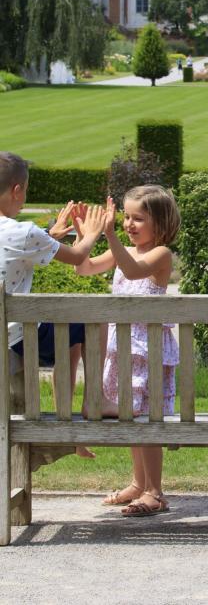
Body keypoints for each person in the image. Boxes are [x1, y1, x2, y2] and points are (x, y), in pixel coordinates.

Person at [74, 185, 181, 516]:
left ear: (160, 224)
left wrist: (110, 236)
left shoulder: (160, 254)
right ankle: (138, 483)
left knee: (146, 420)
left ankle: (155, 491)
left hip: (145, 350)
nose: (129, 224)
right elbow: (84, 268)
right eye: (126, 217)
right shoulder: (125, 251)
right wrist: (85, 236)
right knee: (132, 415)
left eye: (138, 218)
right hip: (122, 350)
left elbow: (134, 271)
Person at [1, 152, 107, 458]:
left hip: (10, 337)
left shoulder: (25, 235)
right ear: (17, 190)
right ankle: (93, 402)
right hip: (16, 340)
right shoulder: (23, 232)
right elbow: (77, 256)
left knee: (71, 338)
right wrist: (91, 234)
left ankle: (67, 423)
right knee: (92, 321)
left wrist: (50, 235)